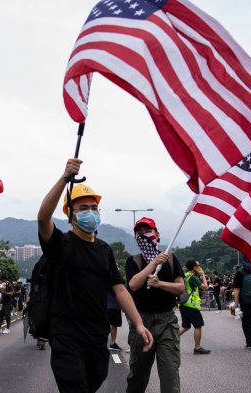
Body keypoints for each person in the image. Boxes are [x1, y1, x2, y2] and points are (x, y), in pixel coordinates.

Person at [37, 158, 152, 393]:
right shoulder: (60, 243)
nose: (90, 212)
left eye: (94, 207)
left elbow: (120, 289)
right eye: (82, 208)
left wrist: (138, 324)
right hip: (66, 334)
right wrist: (64, 179)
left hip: (96, 334)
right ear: (70, 215)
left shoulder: (104, 249)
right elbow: (43, 218)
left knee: (95, 380)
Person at [125, 217, 184, 393]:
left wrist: (160, 284)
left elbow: (180, 288)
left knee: (170, 374)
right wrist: (154, 263)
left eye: (148, 231)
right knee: (138, 375)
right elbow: (133, 285)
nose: (143, 235)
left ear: (157, 234)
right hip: (142, 322)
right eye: (139, 232)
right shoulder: (133, 261)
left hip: (167, 321)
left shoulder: (171, 259)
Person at [179, 259, 211, 355]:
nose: (200, 267)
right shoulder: (192, 277)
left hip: (183, 304)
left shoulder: (184, 275)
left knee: (185, 326)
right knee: (198, 325)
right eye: (198, 265)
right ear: (194, 267)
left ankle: (169, 340)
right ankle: (197, 347)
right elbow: (205, 287)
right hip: (191, 305)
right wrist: (202, 275)